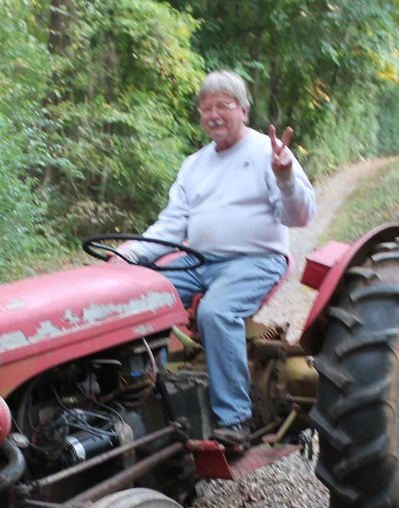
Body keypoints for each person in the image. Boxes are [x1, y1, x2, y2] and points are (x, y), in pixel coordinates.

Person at [119, 70, 316, 446]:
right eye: (205, 107)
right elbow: (171, 225)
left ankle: (234, 419)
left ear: (243, 110)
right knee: (135, 299)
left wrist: (286, 176)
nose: (213, 114)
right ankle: (148, 399)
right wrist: (132, 254)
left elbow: (301, 216)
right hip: (198, 261)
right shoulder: (195, 164)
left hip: (255, 260)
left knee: (216, 312)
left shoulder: (268, 153)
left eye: (223, 106)